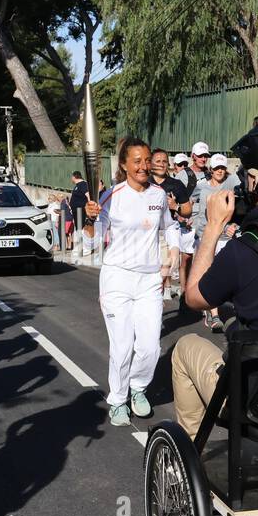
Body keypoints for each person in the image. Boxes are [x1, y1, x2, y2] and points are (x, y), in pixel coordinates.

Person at [174, 125, 258, 438]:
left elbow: (194, 298)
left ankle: (195, 464)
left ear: (254, 180)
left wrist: (213, 227)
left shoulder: (244, 247)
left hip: (257, 400)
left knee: (185, 347)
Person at [84, 138, 180, 426]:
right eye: (136, 161)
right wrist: (89, 220)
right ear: (123, 165)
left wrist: (174, 247)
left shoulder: (159, 195)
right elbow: (91, 242)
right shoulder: (110, 197)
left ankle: (138, 388)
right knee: (123, 345)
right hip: (117, 278)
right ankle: (117, 399)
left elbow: (171, 224)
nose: (143, 166)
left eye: (147, 160)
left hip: (150, 278)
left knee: (150, 346)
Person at [189, 153, 234, 329]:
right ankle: (214, 315)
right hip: (207, 237)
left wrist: (233, 226)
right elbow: (194, 205)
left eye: (222, 168)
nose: (220, 171)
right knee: (210, 273)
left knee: (227, 274)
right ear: (211, 169)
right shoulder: (203, 188)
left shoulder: (231, 187)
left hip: (226, 238)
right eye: (216, 168)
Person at [149, 148, 192, 301]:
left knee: (163, 271)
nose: (161, 164)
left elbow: (187, 211)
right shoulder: (144, 183)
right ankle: (155, 301)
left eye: (164, 161)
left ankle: (159, 298)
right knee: (151, 276)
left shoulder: (176, 184)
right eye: (158, 161)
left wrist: (175, 206)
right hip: (147, 234)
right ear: (150, 164)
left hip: (166, 233)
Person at [68, 170, 90, 253]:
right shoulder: (77, 185)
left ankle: (84, 246)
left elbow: (88, 195)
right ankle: (80, 246)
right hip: (76, 210)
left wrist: (89, 205)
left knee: (81, 227)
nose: (71, 178)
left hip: (80, 209)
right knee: (78, 228)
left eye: (72, 177)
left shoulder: (83, 184)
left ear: (74, 177)